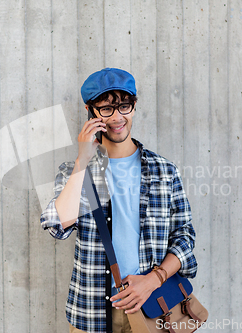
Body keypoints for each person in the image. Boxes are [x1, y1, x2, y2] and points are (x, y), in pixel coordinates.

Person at [40, 68, 197, 333]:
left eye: (124, 106)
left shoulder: (164, 171)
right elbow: (58, 226)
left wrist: (152, 280)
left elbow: (185, 237)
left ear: (134, 106)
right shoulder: (75, 171)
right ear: (90, 110)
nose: (117, 117)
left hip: (154, 306)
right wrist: (83, 159)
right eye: (106, 109)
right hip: (91, 313)